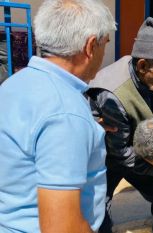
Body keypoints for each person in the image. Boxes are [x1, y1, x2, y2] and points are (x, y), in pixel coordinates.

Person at [0, 0, 116, 233]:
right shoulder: (65, 112)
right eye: (105, 44)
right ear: (91, 46)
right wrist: (74, 126)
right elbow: (62, 228)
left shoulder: (14, 85)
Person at [87, 17, 153, 233]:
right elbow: (123, 154)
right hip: (106, 155)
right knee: (99, 211)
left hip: (136, 148)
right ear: (143, 66)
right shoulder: (113, 94)